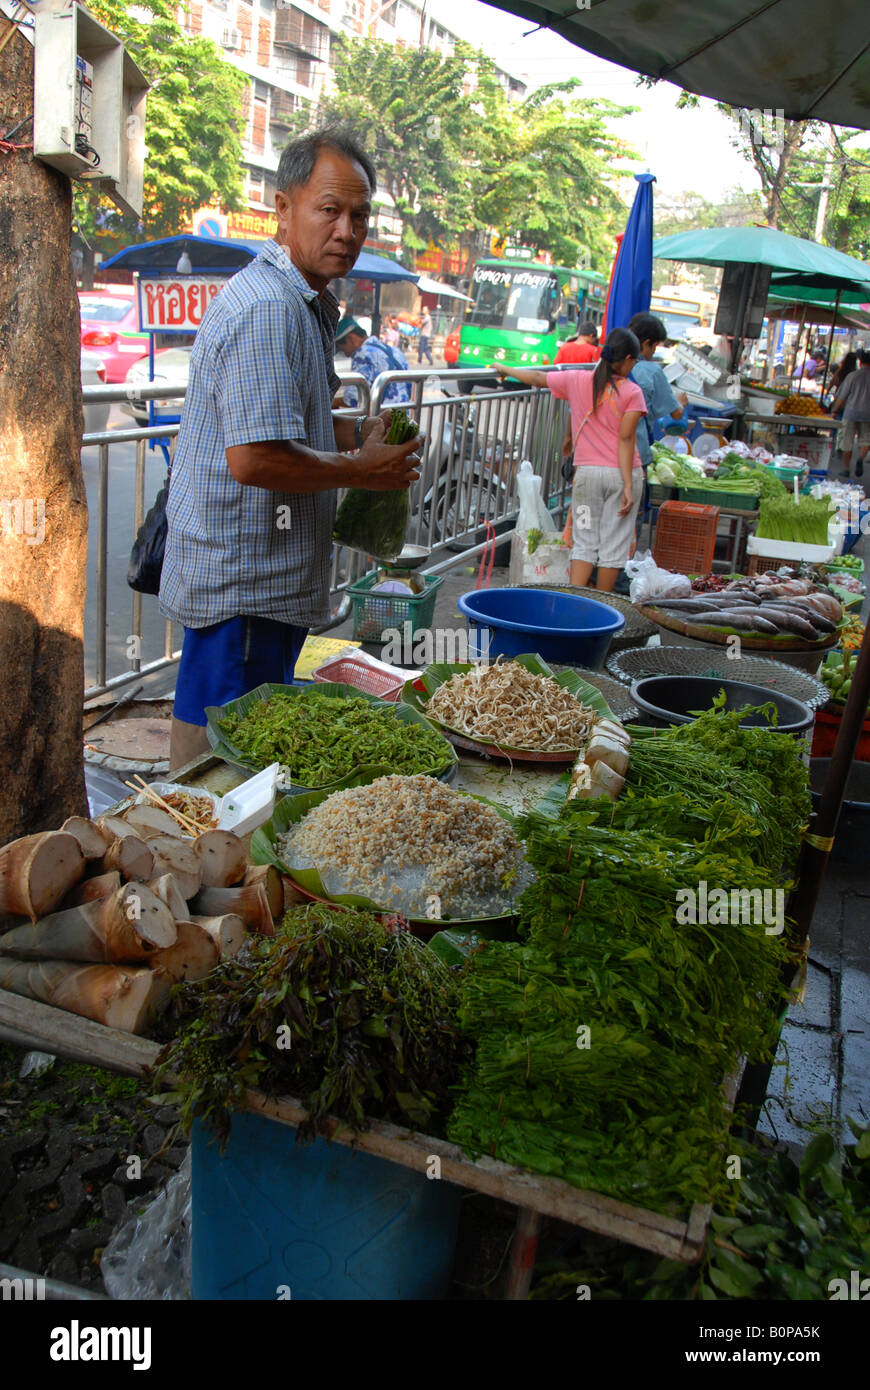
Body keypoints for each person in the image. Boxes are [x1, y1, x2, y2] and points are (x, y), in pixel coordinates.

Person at [158, 129, 422, 771]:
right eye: (328, 209)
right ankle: (198, 855)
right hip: (245, 585)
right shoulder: (271, 308)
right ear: (284, 208)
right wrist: (360, 469)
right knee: (225, 763)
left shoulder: (304, 304)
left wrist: (357, 438)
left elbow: (292, 423)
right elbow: (255, 459)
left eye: (359, 215)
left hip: (262, 585)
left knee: (240, 745)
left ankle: (211, 851)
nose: (347, 230)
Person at [494, 327, 646, 592]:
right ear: (628, 360)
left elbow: (538, 377)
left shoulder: (578, 380)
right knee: (614, 545)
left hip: (586, 479)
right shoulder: (632, 393)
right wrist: (629, 487)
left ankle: (575, 604)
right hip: (621, 478)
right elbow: (626, 440)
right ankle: (601, 608)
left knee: (584, 540)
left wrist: (504, 368)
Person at [626, 312, 689, 468]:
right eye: (654, 346)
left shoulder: (607, 366)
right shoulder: (651, 371)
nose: (654, 352)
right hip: (635, 454)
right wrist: (680, 402)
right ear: (646, 343)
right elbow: (676, 414)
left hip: (601, 454)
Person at [335, 317, 412, 409]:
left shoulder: (362, 354)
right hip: (402, 417)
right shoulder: (395, 351)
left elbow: (353, 399)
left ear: (351, 339)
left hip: (383, 419)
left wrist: (332, 402)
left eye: (343, 350)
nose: (347, 355)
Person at [831, 349, 870, 480]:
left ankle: (847, 469)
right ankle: (860, 458)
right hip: (868, 414)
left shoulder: (853, 376)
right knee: (866, 439)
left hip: (851, 412)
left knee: (846, 440)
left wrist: (834, 410)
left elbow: (842, 397)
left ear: (860, 361)